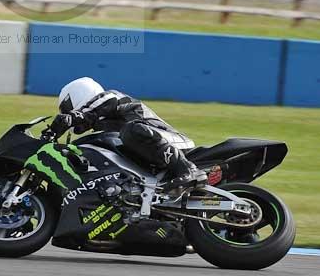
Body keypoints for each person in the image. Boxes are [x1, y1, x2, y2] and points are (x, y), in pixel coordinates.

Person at [50, 76, 207, 190]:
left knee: (131, 130)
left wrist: (72, 117)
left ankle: (188, 170)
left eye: (67, 108)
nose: (66, 112)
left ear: (78, 96)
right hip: (154, 161)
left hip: (175, 143)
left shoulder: (112, 98)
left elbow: (101, 106)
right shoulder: (102, 124)